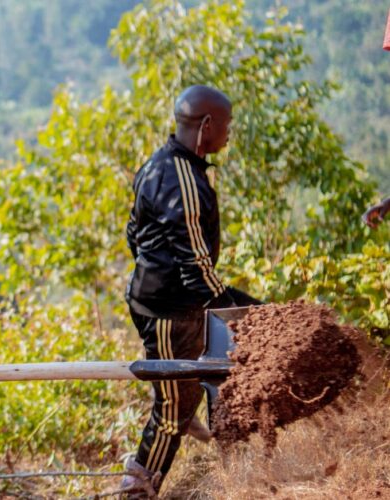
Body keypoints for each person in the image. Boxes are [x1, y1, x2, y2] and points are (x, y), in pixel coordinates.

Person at [120, 85, 251, 495]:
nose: (229, 133)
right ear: (207, 125)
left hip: (169, 301)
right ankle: (138, 487)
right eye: (226, 125)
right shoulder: (182, 179)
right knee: (172, 412)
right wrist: (234, 312)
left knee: (186, 389)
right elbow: (196, 265)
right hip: (167, 310)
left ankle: (188, 399)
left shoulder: (158, 165)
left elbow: (133, 233)